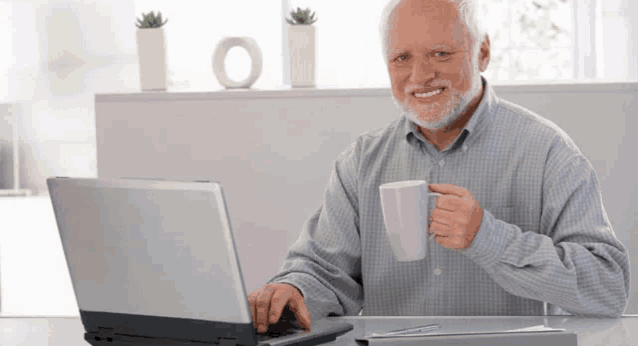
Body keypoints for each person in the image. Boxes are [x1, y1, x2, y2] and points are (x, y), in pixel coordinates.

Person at [248, 0, 631, 333]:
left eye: (440, 54)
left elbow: (608, 290)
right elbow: (324, 273)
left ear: (482, 52)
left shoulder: (549, 152)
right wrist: (293, 290)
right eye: (402, 58)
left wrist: (487, 236)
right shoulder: (361, 162)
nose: (420, 76)